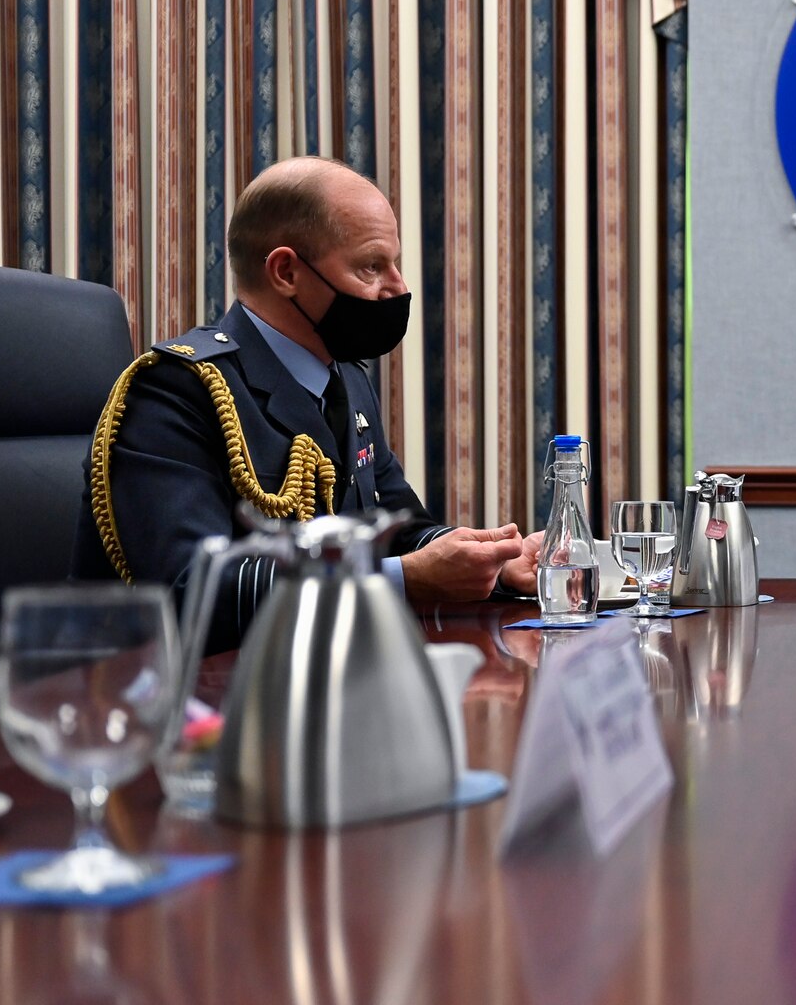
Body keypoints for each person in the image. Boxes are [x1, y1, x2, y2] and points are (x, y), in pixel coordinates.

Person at [71, 156, 541, 650]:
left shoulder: (346, 379)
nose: (398, 288)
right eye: (371, 266)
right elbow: (189, 593)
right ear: (286, 272)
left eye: (394, 264)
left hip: (318, 669)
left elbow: (399, 529)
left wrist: (492, 564)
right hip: (169, 687)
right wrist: (401, 580)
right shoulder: (176, 390)